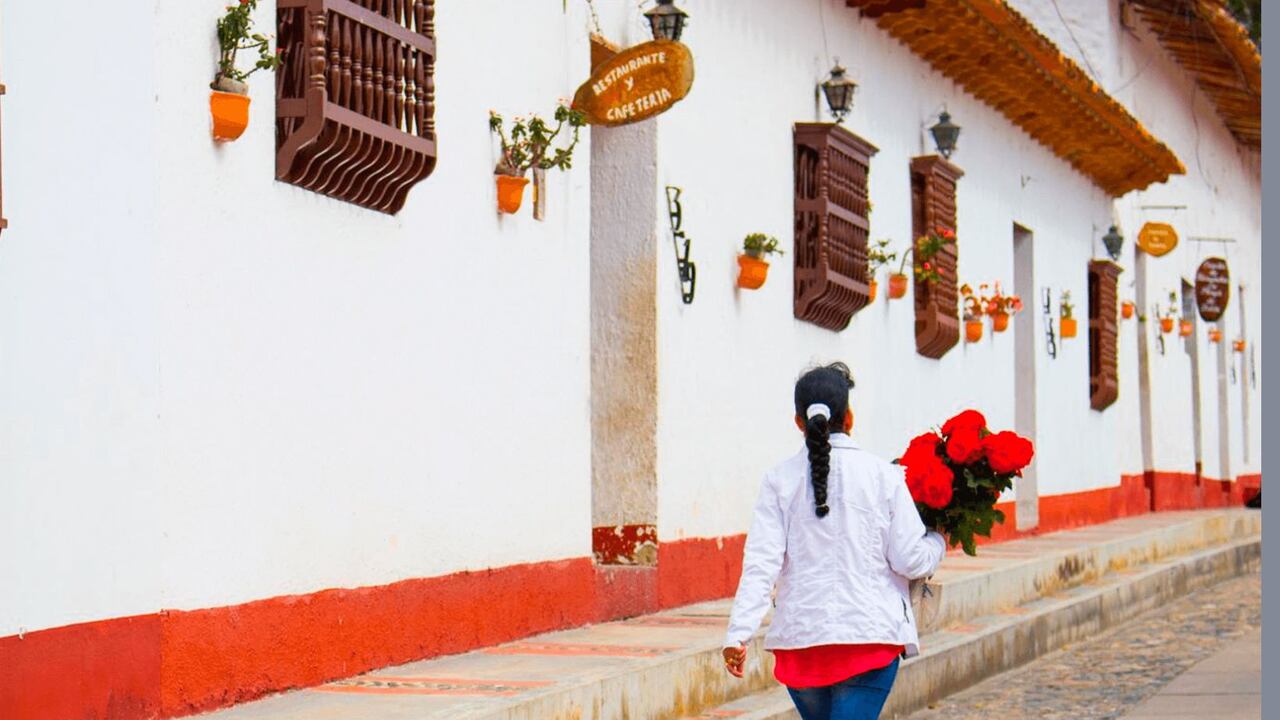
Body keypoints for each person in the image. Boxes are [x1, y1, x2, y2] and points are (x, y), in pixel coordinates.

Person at [721, 362, 947, 720]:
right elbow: (909, 559)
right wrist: (938, 542)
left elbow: (761, 564)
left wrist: (738, 635)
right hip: (869, 640)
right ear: (851, 417)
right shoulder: (885, 477)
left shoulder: (779, 481)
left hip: (802, 646)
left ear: (799, 422)